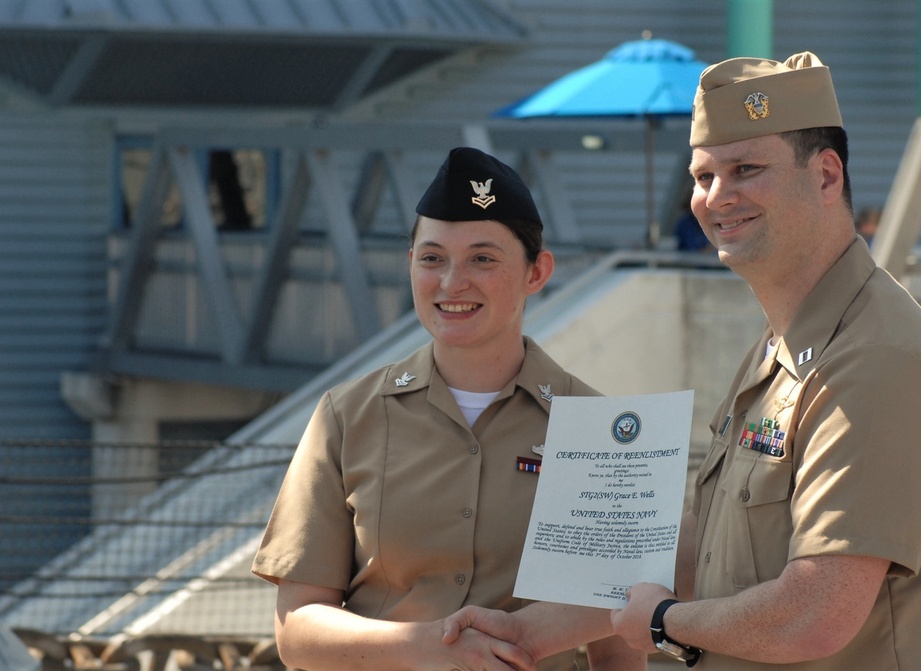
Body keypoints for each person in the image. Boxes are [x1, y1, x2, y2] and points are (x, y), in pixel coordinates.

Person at [441, 52, 921, 669]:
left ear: (827, 177)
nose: (717, 197)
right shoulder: (786, 348)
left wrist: (666, 624)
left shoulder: (877, 360)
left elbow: (815, 613)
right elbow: (702, 558)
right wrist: (527, 636)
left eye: (746, 168)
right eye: (702, 177)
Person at [250, 147, 645, 671]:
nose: (452, 282)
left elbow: (616, 640)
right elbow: (297, 628)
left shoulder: (597, 428)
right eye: (432, 258)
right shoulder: (347, 417)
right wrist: (428, 646)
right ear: (410, 265)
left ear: (536, 272)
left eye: (483, 258)